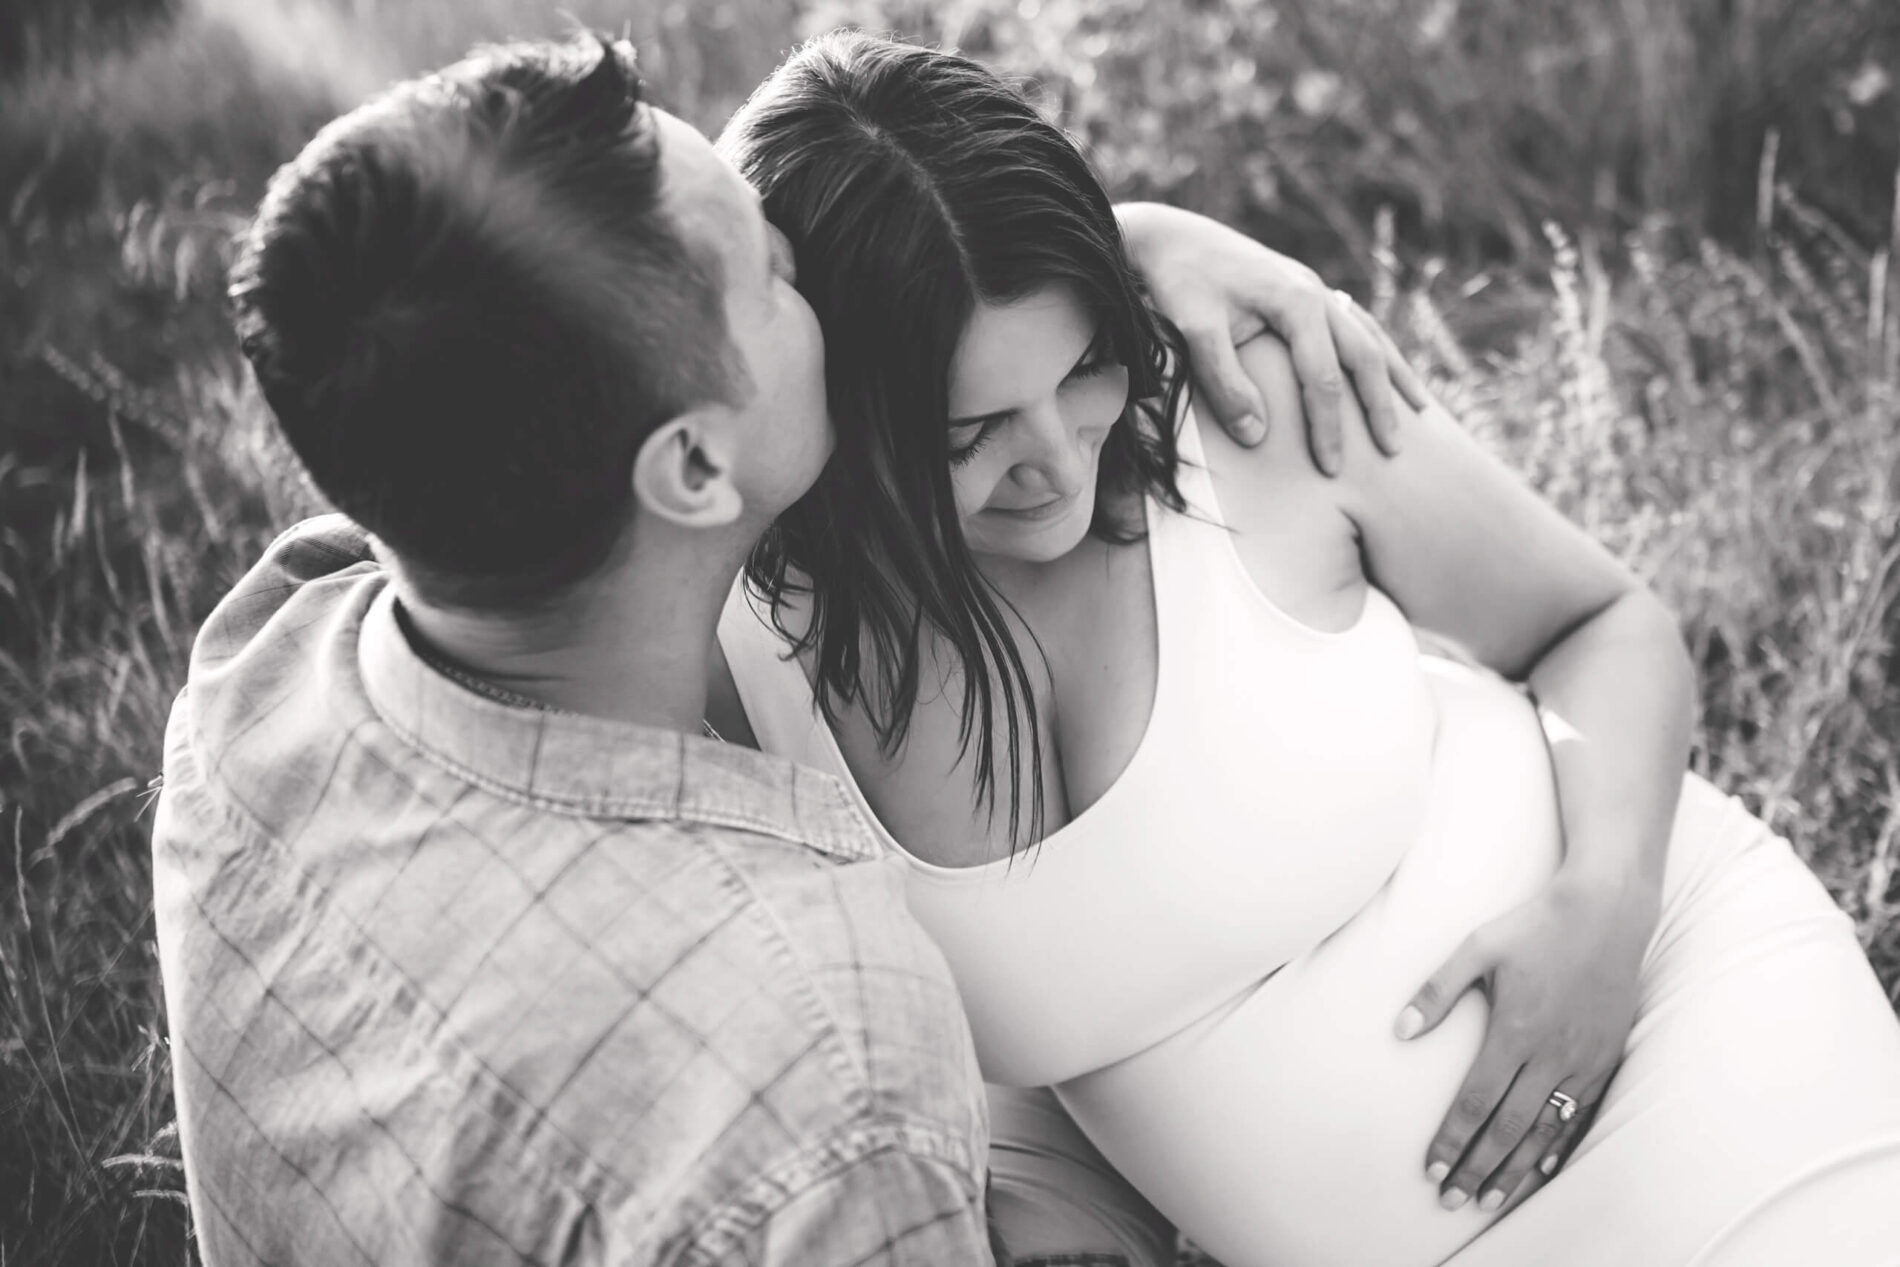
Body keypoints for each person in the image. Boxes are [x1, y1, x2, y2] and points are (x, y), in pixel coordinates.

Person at [151, 32, 1413, 1265]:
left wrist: (1099, 243)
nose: (810, 266)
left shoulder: (263, 664)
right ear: (693, 462)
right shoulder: (825, 1076)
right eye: (772, 272)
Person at [713, 31, 1900, 1267]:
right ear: (829, 406)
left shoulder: (1247, 403)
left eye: (1083, 369)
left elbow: (1600, 624)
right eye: (970, 435)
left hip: (1681, 1025)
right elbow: (1033, 1039)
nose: (1060, 462)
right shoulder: (749, 656)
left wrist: (1602, 911)